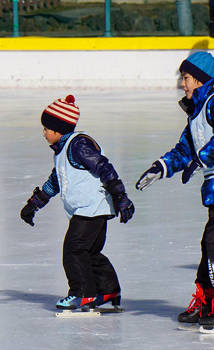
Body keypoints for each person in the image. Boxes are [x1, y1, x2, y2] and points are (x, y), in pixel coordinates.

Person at [135, 52, 214, 328]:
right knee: (210, 242)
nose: (182, 84)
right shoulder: (198, 110)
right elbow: (184, 150)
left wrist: (201, 159)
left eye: (185, 78)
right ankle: (208, 299)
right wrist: (160, 167)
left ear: (200, 78)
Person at [20, 95, 135, 310]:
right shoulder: (63, 151)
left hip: (91, 208)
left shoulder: (78, 145)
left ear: (57, 128)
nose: (43, 133)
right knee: (89, 252)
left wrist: (120, 196)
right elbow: (55, 181)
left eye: (46, 128)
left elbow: (104, 167)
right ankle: (108, 289)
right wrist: (34, 204)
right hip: (90, 209)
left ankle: (82, 293)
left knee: (74, 249)